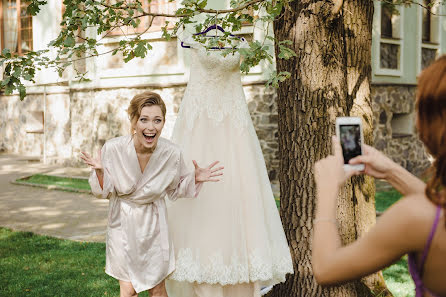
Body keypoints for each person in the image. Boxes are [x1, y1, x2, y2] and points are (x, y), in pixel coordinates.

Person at [165, 33, 293, 297]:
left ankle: (238, 271)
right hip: (200, 130)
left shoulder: (241, 45)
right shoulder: (192, 41)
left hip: (234, 134)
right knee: (200, 203)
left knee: (238, 194)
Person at [312, 56, 446, 297]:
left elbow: (326, 269)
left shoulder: (415, 217)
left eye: (419, 108)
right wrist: (391, 171)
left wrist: (327, 189)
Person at [80, 91, 223, 297]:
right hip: (122, 222)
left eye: (157, 120)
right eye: (144, 120)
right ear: (134, 122)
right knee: (128, 289)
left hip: (155, 226)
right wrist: (101, 171)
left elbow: (175, 190)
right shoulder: (113, 149)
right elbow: (103, 192)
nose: (151, 127)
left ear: (164, 123)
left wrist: (195, 177)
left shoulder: (171, 153)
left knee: (157, 289)